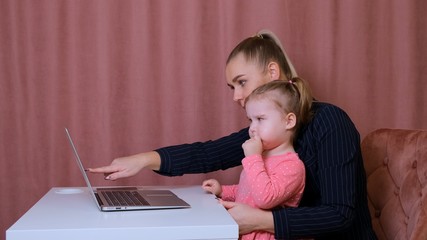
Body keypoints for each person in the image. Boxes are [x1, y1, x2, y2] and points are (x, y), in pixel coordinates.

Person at [89, 30, 377, 239]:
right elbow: (208, 153)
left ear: (272, 72)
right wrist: (142, 160)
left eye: (241, 82)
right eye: (232, 87)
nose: (236, 96)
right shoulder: (264, 134)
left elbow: (340, 214)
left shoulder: (330, 121)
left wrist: (263, 221)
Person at [203, 79, 310, 240]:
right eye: (250, 120)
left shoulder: (293, 166)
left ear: (289, 121)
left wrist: (253, 157)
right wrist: (222, 191)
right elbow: (248, 190)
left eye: (260, 119)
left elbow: (265, 198)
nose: (252, 128)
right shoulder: (262, 157)